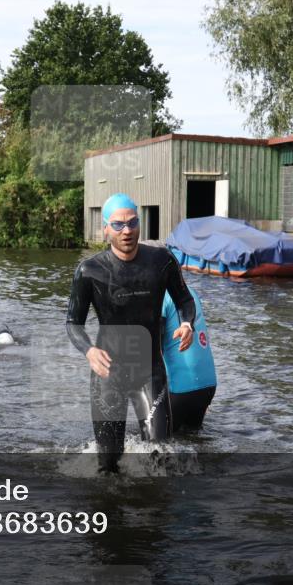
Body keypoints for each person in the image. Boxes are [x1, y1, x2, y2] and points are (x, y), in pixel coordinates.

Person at [66, 193, 195, 474]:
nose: (127, 231)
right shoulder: (89, 270)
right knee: (108, 465)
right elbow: (73, 323)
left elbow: (184, 300)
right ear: (105, 229)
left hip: (150, 372)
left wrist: (187, 324)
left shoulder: (161, 261)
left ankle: (155, 516)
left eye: (132, 222)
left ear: (140, 223)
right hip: (108, 374)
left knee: (161, 456)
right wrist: (88, 350)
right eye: (118, 225)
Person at [162, 285, 217, 433]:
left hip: (182, 387)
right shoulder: (189, 292)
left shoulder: (159, 295)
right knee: (191, 439)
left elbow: (154, 349)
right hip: (208, 384)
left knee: (156, 445)